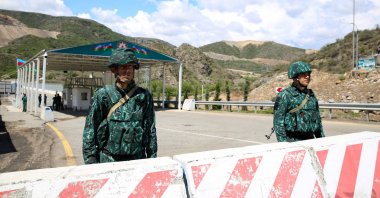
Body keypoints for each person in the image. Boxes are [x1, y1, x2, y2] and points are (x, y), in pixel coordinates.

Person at [82, 48, 157, 164]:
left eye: (130, 67)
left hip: (137, 160)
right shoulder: (103, 95)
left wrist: (152, 159)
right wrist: (91, 161)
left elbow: (150, 129)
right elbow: (90, 129)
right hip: (108, 159)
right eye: (123, 67)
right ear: (115, 70)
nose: (127, 71)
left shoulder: (144, 96)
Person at [273, 61, 325, 142]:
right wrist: (283, 145)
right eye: (303, 74)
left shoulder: (311, 95)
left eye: (308, 74)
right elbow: (278, 123)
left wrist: (322, 142)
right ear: (295, 76)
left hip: (311, 141)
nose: (307, 77)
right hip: (292, 142)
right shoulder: (285, 95)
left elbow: (318, 121)